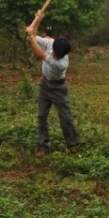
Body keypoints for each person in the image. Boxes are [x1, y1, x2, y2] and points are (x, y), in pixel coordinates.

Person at [26, 10, 79, 155]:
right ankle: (43, 146)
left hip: (59, 88)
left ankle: (72, 143)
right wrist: (37, 20)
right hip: (45, 85)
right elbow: (34, 38)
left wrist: (31, 36)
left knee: (65, 117)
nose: (53, 54)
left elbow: (39, 53)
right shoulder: (52, 43)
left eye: (56, 54)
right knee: (41, 116)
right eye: (54, 51)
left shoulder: (61, 63)